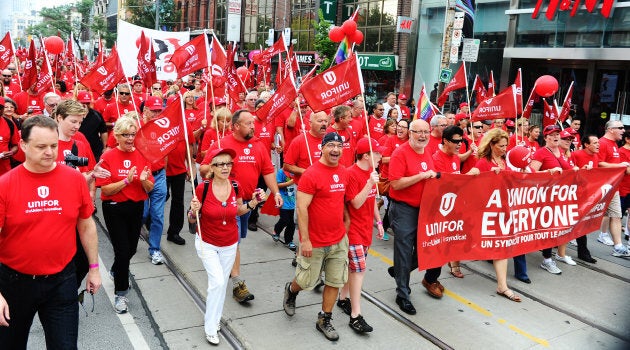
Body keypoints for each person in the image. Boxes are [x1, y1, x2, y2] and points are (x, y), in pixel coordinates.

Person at [0, 116, 101, 348]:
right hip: (14, 284)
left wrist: (94, 269)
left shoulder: (74, 180)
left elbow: (86, 225)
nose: (49, 152)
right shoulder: (5, 185)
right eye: (41, 146)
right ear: (23, 145)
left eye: (54, 146)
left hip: (62, 281)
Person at [200, 110, 282, 304]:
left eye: (253, 124)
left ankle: (225, 265)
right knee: (234, 242)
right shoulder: (222, 144)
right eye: (248, 124)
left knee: (236, 241)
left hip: (248, 204)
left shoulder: (259, 145)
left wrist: (276, 192)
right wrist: (217, 168)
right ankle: (237, 282)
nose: (253, 127)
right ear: (236, 126)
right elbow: (204, 168)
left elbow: (268, 171)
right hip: (227, 203)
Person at [188, 148, 265, 345]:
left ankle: (214, 318)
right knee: (218, 283)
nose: (225, 167)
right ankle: (211, 326)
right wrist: (192, 211)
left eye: (228, 163)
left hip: (229, 244)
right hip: (207, 243)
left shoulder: (236, 186)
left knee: (219, 285)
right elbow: (191, 218)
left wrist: (254, 203)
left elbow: (238, 210)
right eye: (220, 164)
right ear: (212, 168)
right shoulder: (202, 188)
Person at [282, 132, 349, 341]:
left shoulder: (344, 172)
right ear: (322, 148)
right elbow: (302, 208)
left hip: (338, 240)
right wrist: (305, 240)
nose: (336, 150)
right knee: (305, 280)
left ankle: (324, 318)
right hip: (315, 241)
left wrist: (346, 226)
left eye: (339, 145)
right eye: (330, 145)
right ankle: (291, 291)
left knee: (334, 281)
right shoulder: (311, 174)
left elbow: (343, 202)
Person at [97, 115, 154, 313]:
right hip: (114, 208)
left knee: (130, 249)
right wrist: (126, 181)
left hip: (136, 207)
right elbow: (105, 190)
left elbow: (149, 187)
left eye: (133, 134)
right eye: (126, 135)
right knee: (122, 251)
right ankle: (120, 294)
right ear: (117, 136)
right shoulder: (108, 157)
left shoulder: (141, 155)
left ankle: (116, 269)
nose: (130, 138)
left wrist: (144, 180)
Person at [387, 119, 439, 314]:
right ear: (410, 133)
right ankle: (403, 294)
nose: (423, 136)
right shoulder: (400, 153)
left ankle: (401, 270)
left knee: (426, 248)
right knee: (403, 250)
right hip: (403, 209)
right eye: (419, 132)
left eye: (426, 132)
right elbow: (396, 184)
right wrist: (422, 176)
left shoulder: (427, 151)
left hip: (424, 209)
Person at [337, 137, 383, 333]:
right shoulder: (351, 174)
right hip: (353, 231)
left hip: (366, 230)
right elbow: (355, 203)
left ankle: (343, 298)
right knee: (358, 271)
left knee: (353, 269)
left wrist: (378, 221)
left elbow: (371, 201)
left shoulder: (370, 173)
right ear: (366, 155)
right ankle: (356, 315)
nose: (381, 157)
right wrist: (369, 183)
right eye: (377, 153)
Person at [473, 128, 522, 301]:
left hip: (502, 210)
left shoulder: (504, 161)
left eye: (506, 145)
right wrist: (487, 175)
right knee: (467, 241)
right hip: (485, 212)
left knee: (502, 248)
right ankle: (454, 262)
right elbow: (469, 179)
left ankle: (502, 286)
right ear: (492, 145)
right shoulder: (483, 162)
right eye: (501, 146)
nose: (504, 149)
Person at [530, 125, 579, 275]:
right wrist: (547, 172)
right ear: (545, 138)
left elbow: (566, 170)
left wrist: (576, 170)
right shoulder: (541, 153)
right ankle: (546, 260)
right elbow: (531, 174)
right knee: (548, 229)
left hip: (561, 196)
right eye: (552, 134)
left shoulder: (561, 152)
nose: (556, 136)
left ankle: (553, 255)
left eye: (558, 133)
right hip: (545, 197)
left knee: (556, 227)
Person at [433, 126, 480, 279]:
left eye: (461, 141)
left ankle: (454, 264)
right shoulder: (436, 159)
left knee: (458, 235)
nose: (459, 144)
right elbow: (446, 185)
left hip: (455, 203)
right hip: (440, 207)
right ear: (445, 141)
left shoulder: (455, 156)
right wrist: (468, 176)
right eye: (456, 141)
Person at [140, 96, 170, 265]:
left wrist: (161, 169)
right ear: (145, 110)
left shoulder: (163, 127)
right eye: (154, 110)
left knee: (157, 215)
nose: (157, 113)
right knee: (143, 213)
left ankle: (155, 249)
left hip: (159, 176)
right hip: (142, 176)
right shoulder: (137, 126)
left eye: (160, 110)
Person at [597, 120, 630, 257]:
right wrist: (621, 166)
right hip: (602, 186)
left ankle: (618, 246)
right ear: (611, 129)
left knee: (616, 216)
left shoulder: (614, 144)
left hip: (613, 187)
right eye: (621, 128)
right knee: (587, 215)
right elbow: (598, 163)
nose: (623, 130)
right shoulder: (602, 143)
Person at [570, 134, 601, 263]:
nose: (598, 145)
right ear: (586, 145)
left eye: (598, 142)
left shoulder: (596, 156)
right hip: (574, 195)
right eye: (594, 143)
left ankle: (583, 252)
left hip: (587, 195)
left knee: (582, 223)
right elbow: (570, 173)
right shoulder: (576, 155)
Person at [272, 168, 297, 250]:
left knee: (292, 224)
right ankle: (276, 230)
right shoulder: (281, 172)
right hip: (283, 201)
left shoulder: (297, 172)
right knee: (285, 219)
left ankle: (289, 241)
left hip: (293, 202)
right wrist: (289, 183)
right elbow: (276, 185)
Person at [0, 97, 19, 176]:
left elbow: (16, 146)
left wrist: (11, 152)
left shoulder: (9, 123)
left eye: (0, 107)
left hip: (4, 171)